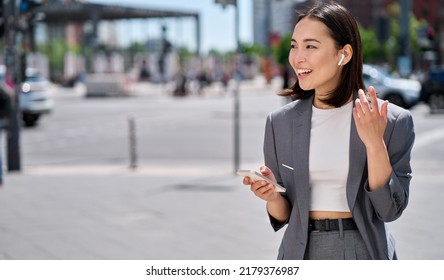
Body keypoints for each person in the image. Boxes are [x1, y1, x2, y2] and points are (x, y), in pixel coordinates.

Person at [242, 1, 415, 260]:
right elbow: (285, 214)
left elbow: (389, 210)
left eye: (310, 46)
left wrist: (374, 143)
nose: (297, 57)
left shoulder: (393, 120)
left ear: (344, 54)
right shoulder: (279, 122)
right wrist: (270, 196)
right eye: (294, 45)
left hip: (363, 251)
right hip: (300, 253)